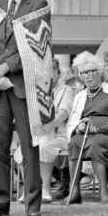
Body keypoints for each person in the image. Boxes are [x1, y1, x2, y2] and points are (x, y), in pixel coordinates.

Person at [0, 0, 54, 216]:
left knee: (29, 145)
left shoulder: (39, 5)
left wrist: (5, 69)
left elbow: (37, 48)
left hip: (24, 88)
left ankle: (33, 205)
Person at [66, 55, 108, 204]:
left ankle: (103, 191)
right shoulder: (80, 96)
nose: (88, 75)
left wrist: (98, 129)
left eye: (92, 71)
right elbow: (73, 121)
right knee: (74, 143)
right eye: (84, 73)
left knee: (96, 144)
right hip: (86, 133)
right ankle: (74, 191)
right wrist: (78, 126)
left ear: (100, 72)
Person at [33, 58, 74, 202]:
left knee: (43, 145)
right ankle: (32, 188)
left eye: (52, 70)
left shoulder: (66, 90)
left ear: (58, 73)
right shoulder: (38, 91)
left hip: (60, 135)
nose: (48, 74)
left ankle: (44, 189)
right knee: (25, 148)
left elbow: (63, 115)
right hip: (41, 134)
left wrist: (46, 127)